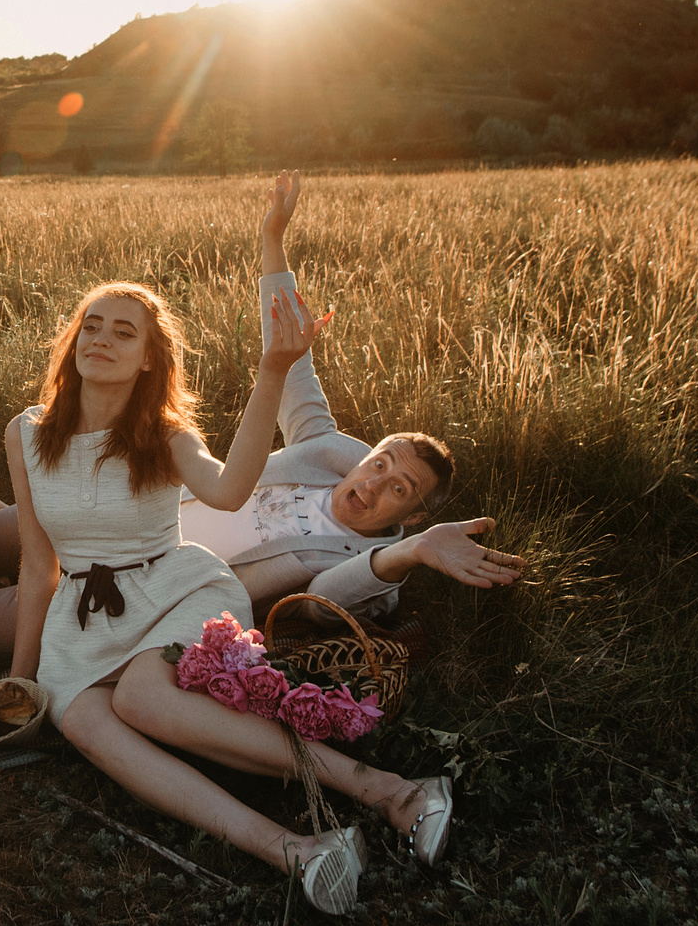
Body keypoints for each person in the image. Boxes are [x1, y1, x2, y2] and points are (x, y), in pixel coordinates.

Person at [5, 276, 452, 917]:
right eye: (92, 324)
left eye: (123, 332)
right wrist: (20, 688)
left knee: (140, 696)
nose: (100, 338)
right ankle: (296, 848)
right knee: (75, 717)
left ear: (150, 358)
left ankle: (391, 790)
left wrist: (274, 368)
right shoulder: (26, 434)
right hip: (83, 617)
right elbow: (34, 566)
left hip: (176, 587)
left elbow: (232, 488)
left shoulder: (164, 434)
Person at [183, 172, 525, 617]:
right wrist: (272, 238)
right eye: (379, 464)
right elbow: (291, 359)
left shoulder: (368, 571)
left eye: (399, 488)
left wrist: (414, 552)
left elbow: (321, 605)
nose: (372, 483)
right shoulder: (327, 451)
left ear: (412, 518)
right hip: (141, 516)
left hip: (165, 591)